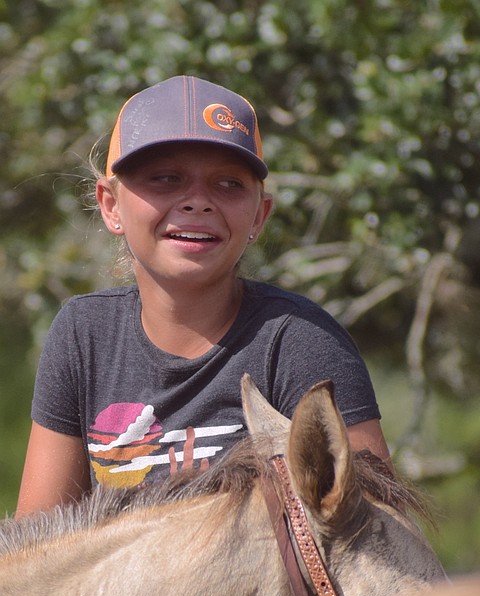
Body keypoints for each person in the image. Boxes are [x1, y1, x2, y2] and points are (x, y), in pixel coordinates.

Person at [15, 75, 391, 518]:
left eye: (228, 184)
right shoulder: (83, 336)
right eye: (165, 179)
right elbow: (40, 553)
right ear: (111, 206)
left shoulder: (301, 342)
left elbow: (374, 540)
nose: (197, 202)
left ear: (259, 215)